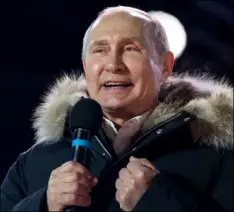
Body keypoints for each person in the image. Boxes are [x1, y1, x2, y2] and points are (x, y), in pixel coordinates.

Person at [1, 6, 233, 212]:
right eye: (100, 50)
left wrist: (160, 201)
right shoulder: (32, 163)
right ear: (86, 66)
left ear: (164, 67)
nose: (113, 64)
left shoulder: (219, 158)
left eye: (130, 48)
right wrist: (43, 203)